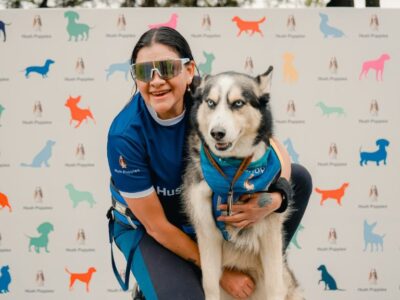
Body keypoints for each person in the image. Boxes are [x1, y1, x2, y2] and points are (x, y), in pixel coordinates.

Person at [107, 26, 312, 300]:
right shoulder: (125, 134)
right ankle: (154, 285)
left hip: (202, 215)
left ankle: (257, 267)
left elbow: (273, 150)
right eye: (144, 71)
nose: (156, 81)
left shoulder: (209, 95)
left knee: (297, 178)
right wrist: (221, 275)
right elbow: (156, 226)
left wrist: (275, 199)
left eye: (167, 68)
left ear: (189, 70)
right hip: (151, 229)